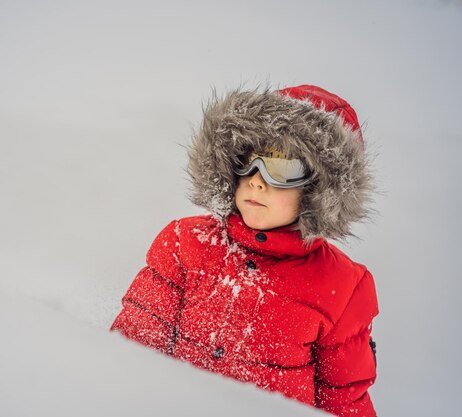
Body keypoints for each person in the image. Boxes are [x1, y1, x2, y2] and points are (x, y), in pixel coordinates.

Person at [110, 84, 379, 417]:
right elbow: (129, 352)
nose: (256, 180)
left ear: (319, 188)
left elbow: (343, 402)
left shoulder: (344, 287)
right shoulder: (184, 243)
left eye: (280, 168)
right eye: (250, 162)